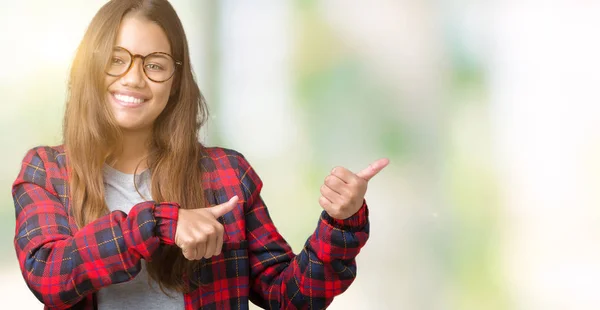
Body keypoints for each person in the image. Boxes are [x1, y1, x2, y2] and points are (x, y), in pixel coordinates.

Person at [12, 0, 389, 309]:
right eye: (116, 59)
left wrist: (341, 223)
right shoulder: (47, 170)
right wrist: (161, 224)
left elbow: (289, 297)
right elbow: (50, 277)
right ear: (90, 67)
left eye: (155, 65)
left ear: (176, 82)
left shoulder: (228, 174)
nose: (133, 78)